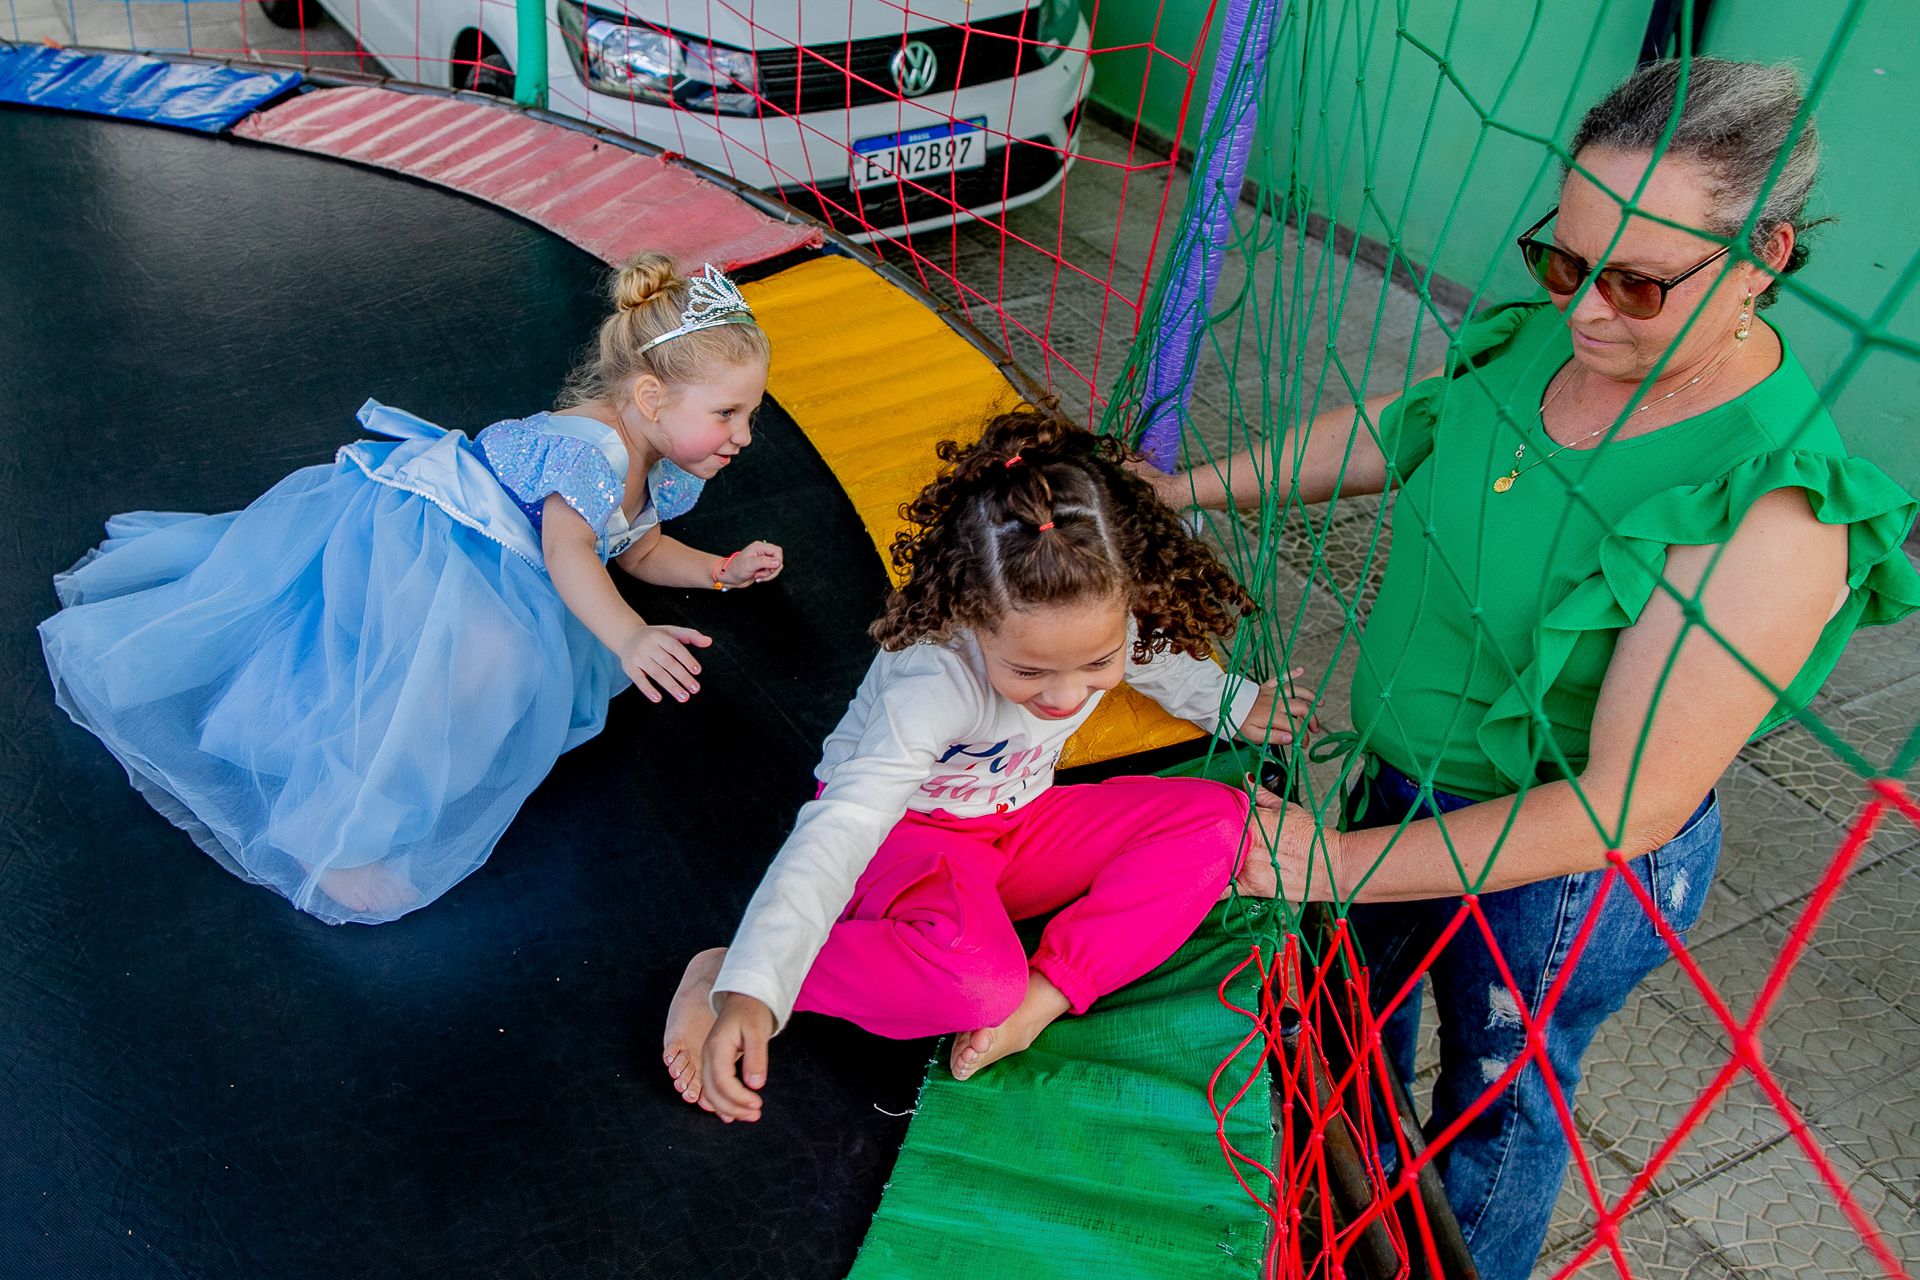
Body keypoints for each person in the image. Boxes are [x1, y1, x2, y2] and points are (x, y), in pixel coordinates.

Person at [1150, 58, 1920, 1280]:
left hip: (1561, 872)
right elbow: (1411, 426)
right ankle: (1325, 1229)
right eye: (1562, 261)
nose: (1586, 312)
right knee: (1343, 1041)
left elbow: (1630, 801)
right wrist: (1179, 490)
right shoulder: (1558, 346)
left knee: (1493, 1106)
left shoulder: (1772, 509)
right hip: (1405, 782)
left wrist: (1336, 862)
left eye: (1635, 281)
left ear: (1766, 253)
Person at [40, 254, 784, 925]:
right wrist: (626, 635)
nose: (743, 434)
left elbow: (640, 546)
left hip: (510, 563)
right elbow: (570, 553)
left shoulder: (663, 464)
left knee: (498, 658)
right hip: (441, 542)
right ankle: (327, 833)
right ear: (651, 397)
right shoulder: (588, 451)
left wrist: (717, 569)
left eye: (749, 413)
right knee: (480, 667)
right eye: (726, 413)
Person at [661, 406, 1306, 1122]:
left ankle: (1048, 994)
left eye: (1095, 664)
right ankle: (726, 971)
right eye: (1029, 671)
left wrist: (1233, 702)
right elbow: (845, 823)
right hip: (908, 838)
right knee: (974, 985)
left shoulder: (1098, 612)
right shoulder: (934, 674)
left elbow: (1154, 660)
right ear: (973, 619)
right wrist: (756, 985)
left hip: (1019, 822)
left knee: (1224, 821)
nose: (1064, 697)